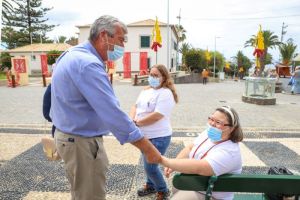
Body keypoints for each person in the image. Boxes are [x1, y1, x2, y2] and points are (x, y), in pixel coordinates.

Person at [51, 15, 161, 200]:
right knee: (90, 195)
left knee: (81, 192)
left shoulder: (72, 54)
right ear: (104, 35)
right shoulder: (88, 64)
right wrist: (147, 148)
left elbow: (50, 97)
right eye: (121, 39)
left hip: (69, 137)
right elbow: (113, 114)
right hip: (81, 143)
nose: (123, 46)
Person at [162, 106, 243, 200]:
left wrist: (166, 161)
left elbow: (200, 167)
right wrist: (175, 163)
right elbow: (190, 148)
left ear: (232, 128)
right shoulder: (209, 134)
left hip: (210, 195)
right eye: (211, 119)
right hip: (197, 186)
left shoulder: (230, 152)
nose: (212, 124)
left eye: (218, 122)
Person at [129, 64, 178, 200]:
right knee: (148, 163)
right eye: (151, 74)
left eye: (156, 75)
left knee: (150, 167)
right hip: (143, 135)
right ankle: (150, 185)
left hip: (159, 137)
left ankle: (163, 190)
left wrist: (137, 123)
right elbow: (135, 106)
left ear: (164, 78)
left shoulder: (166, 93)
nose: (152, 77)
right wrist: (132, 119)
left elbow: (158, 115)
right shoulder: (145, 91)